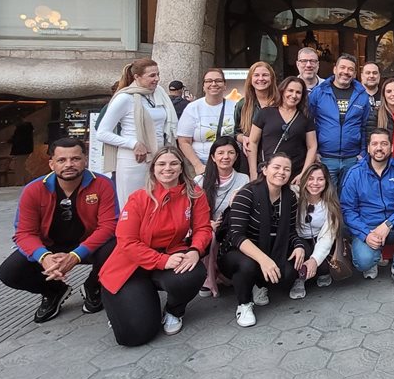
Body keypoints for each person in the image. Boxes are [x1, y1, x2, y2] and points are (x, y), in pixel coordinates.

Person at [99, 147, 211, 345]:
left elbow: (203, 228)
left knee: (192, 274)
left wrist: (195, 250)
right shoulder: (139, 198)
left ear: (181, 167)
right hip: (132, 266)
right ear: (153, 169)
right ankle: (126, 305)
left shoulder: (194, 193)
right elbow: (127, 241)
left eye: (173, 163)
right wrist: (161, 261)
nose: (167, 168)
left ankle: (174, 310)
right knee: (134, 337)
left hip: (172, 254)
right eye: (161, 164)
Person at [0, 138, 118, 323]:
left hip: (87, 247)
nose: (69, 164)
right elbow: (24, 233)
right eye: (62, 160)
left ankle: (93, 286)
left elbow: (109, 226)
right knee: (9, 273)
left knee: (117, 247)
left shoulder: (103, 184)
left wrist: (76, 255)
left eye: (75, 159)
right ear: (51, 163)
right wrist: (43, 257)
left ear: (85, 160)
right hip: (49, 247)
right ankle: (54, 290)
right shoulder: (34, 189)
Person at [220, 154, 308, 327]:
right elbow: (236, 235)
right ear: (265, 169)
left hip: (271, 248)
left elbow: (290, 231)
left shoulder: (289, 197)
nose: (281, 172)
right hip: (237, 251)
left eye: (286, 169)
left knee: (290, 272)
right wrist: (264, 260)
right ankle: (244, 304)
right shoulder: (247, 193)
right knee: (248, 265)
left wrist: (298, 246)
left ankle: (259, 284)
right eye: (276, 167)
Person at [340, 129, 394, 290]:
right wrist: (366, 234)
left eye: (384, 144)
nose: (379, 148)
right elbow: (347, 210)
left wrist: (388, 224)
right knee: (363, 261)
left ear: (391, 148)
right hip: (368, 228)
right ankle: (373, 258)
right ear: (368, 148)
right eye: (375, 144)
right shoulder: (355, 173)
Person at [97, 58, 179, 207]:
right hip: (133, 160)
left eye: (158, 75)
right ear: (137, 77)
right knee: (133, 205)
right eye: (152, 76)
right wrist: (133, 143)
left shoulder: (159, 93)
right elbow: (102, 133)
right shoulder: (124, 98)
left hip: (158, 158)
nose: (157, 79)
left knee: (158, 205)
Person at [307, 54, 371, 189]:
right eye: (342, 67)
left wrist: (363, 153)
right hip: (325, 158)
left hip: (352, 159)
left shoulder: (362, 95)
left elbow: (365, 126)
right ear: (335, 69)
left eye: (350, 69)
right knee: (328, 199)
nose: (346, 72)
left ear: (354, 73)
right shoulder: (319, 93)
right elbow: (308, 123)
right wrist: (314, 151)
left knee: (350, 199)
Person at [193, 137, 247, 297]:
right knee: (209, 234)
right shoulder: (199, 180)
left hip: (229, 227)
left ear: (237, 156)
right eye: (221, 153)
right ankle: (207, 278)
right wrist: (207, 224)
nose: (226, 157)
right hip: (205, 226)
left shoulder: (243, 179)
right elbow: (192, 212)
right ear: (212, 157)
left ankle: (221, 271)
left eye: (231, 153)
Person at [248, 77, 317, 179]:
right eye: (290, 91)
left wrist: (303, 174)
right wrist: (253, 172)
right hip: (267, 172)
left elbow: (312, 147)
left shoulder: (305, 118)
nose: (294, 95)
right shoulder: (265, 113)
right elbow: (253, 142)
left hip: (294, 175)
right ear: (282, 91)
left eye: (298, 92)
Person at [293, 163, 342, 293]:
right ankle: (299, 279)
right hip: (298, 239)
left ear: (326, 182)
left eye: (320, 179)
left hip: (319, 239)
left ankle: (317, 270)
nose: (315, 183)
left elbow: (328, 236)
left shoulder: (330, 204)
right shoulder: (294, 194)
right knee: (301, 255)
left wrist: (315, 260)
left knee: (323, 265)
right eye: (310, 178)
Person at [176, 68, 234, 176]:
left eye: (218, 81)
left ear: (225, 85)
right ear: (203, 86)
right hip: (201, 164)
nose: (213, 84)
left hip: (229, 165)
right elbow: (184, 141)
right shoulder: (193, 108)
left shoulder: (235, 107)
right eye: (209, 81)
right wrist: (197, 165)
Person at [234, 61, 277, 158]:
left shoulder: (280, 102)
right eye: (256, 75)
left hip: (276, 155)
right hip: (251, 156)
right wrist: (243, 138)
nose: (261, 79)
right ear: (250, 79)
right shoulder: (242, 104)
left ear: (272, 78)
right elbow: (236, 132)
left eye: (265, 75)